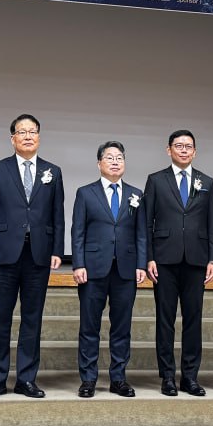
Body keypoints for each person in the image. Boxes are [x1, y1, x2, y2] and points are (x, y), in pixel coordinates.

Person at [0, 114, 65, 399]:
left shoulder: (53, 171)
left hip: (38, 255)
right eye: (22, 132)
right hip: (3, 254)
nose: (28, 136)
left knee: (32, 319)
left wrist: (57, 250)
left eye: (32, 131)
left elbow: (57, 215)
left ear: (39, 137)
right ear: (12, 138)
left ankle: (26, 379)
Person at [141, 130, 213, 396]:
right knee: (165, 319)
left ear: (195, 151)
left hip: (197, 259)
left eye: (188, 146)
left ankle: (190, 377)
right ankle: (167, 376)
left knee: (193, 319)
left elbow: (212, 222)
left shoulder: (206, 181)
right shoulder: (156, 180)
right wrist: (149, 257)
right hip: (164, 259)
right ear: (169, 150)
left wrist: (212, 258)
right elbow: (146, 223)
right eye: (179, 146)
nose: (184, 150)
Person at [70, 141, 147, 398]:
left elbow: (141, 234)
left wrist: (141, 264)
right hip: (93, 269)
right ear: (99, 164)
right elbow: (78, 231)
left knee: (122, 327)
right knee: (89, 326)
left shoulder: (136, 194)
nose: (115, 162)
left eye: (119, 158)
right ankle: (88, 379)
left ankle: (118, 378)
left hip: (126, 269)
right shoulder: (85, 193)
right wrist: (78, 263)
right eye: (110, 157)